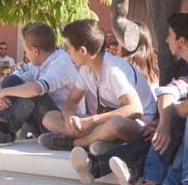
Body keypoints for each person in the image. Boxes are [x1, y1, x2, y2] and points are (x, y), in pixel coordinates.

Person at [39, 18, 156, 152]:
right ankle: (99, 141)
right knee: (49, 118)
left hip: (140, 126)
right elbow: (71, 101)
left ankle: (75, 143)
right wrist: (70, 118)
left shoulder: (114, 70)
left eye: (69, 49)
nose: (68, 53)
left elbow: (135, 109)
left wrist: (92, 120)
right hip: (103, 122)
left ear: (82, 51)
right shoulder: (86, 69)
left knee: (115, 124)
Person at [115, 12, 188, 185]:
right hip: (177, 134)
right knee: (168, 116)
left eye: (169, 35)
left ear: (181, 40)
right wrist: (162, 121)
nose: (166, 40)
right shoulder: (178, 66)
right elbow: (170, 91)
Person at [0, 22, 83, 145]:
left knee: (33, 91)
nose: (26, 55)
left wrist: (2, 92)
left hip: (61, 124)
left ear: (35, 51)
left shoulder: (61, 63)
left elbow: (36, 89)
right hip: (42, 122)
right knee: (13, 81)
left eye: (26, 51)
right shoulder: (36, 64)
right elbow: (10, 79)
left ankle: (4, 132)